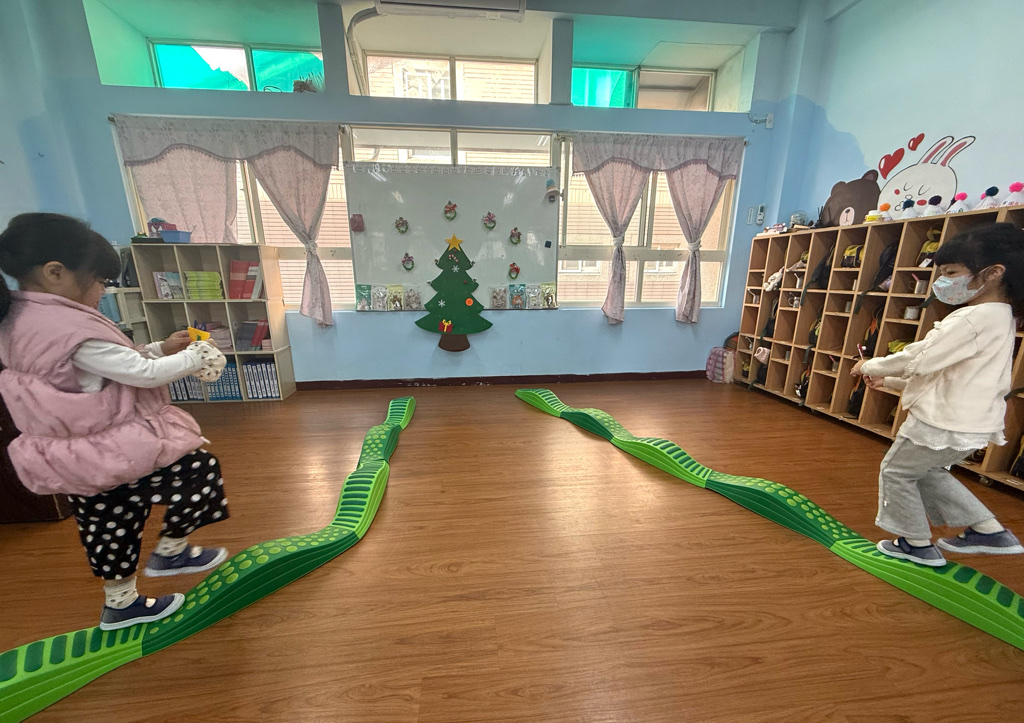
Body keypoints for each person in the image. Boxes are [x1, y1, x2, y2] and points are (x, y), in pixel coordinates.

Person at [0, 213, 230, 630]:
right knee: (199, 469)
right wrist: (194, 357)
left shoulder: (23, 319)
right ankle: (171, 552)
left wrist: (160, 347)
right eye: (100, 281)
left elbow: (106, 367)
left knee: (109, 528)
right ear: (55, 272)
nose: (104, 290)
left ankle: (120, 605)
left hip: (75, 454)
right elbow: (141, 374)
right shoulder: (66, 327)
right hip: (110, 449)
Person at [851, 223, 1024, 566]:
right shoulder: (1002, 317)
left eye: (952, 273)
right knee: (927, 471)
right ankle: (989, 530)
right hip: (971, 421)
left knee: (897, 472)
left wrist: (871, 366)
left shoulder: (973, 318)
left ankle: (915, 544)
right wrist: (892, 383)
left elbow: (921, 358)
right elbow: (950, 375)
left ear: (993, 273)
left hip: (942, 422)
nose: (943, 282)